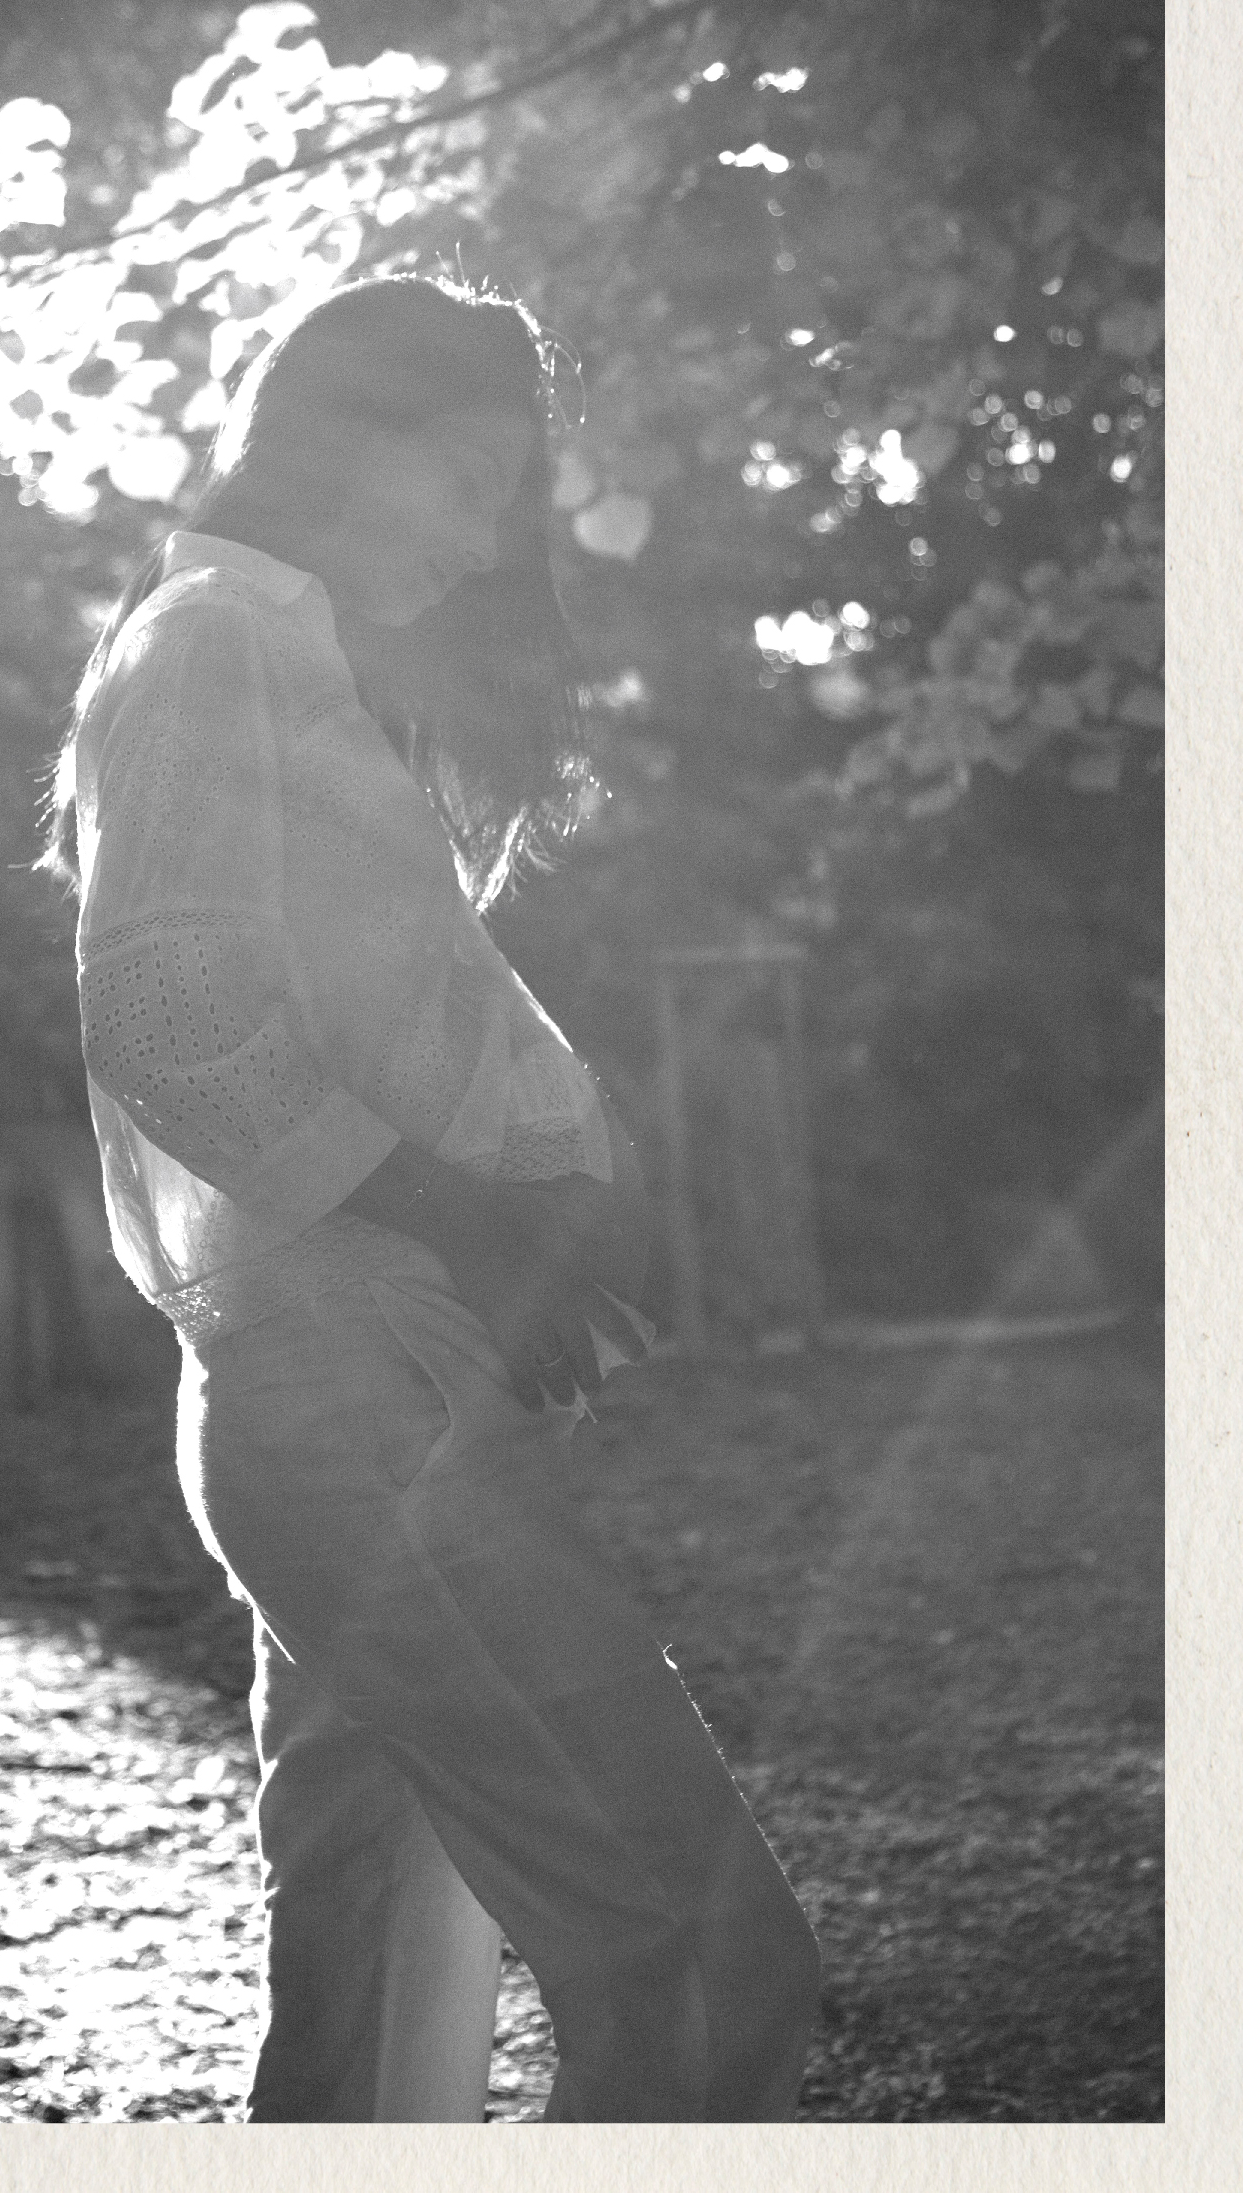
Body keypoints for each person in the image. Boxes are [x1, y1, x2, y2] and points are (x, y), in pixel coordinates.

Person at [43, 273, 820, 2121]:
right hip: (354, 1396)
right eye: (467, 481)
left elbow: (331, 1021)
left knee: (378, 1990)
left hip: (367, 1388)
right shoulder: (214, 641)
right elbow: (170, 1012)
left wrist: (529, 1227)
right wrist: (479, 1225)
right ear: (341, 438)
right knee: (702, 1961)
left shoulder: (273, 653)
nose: (482, 545)